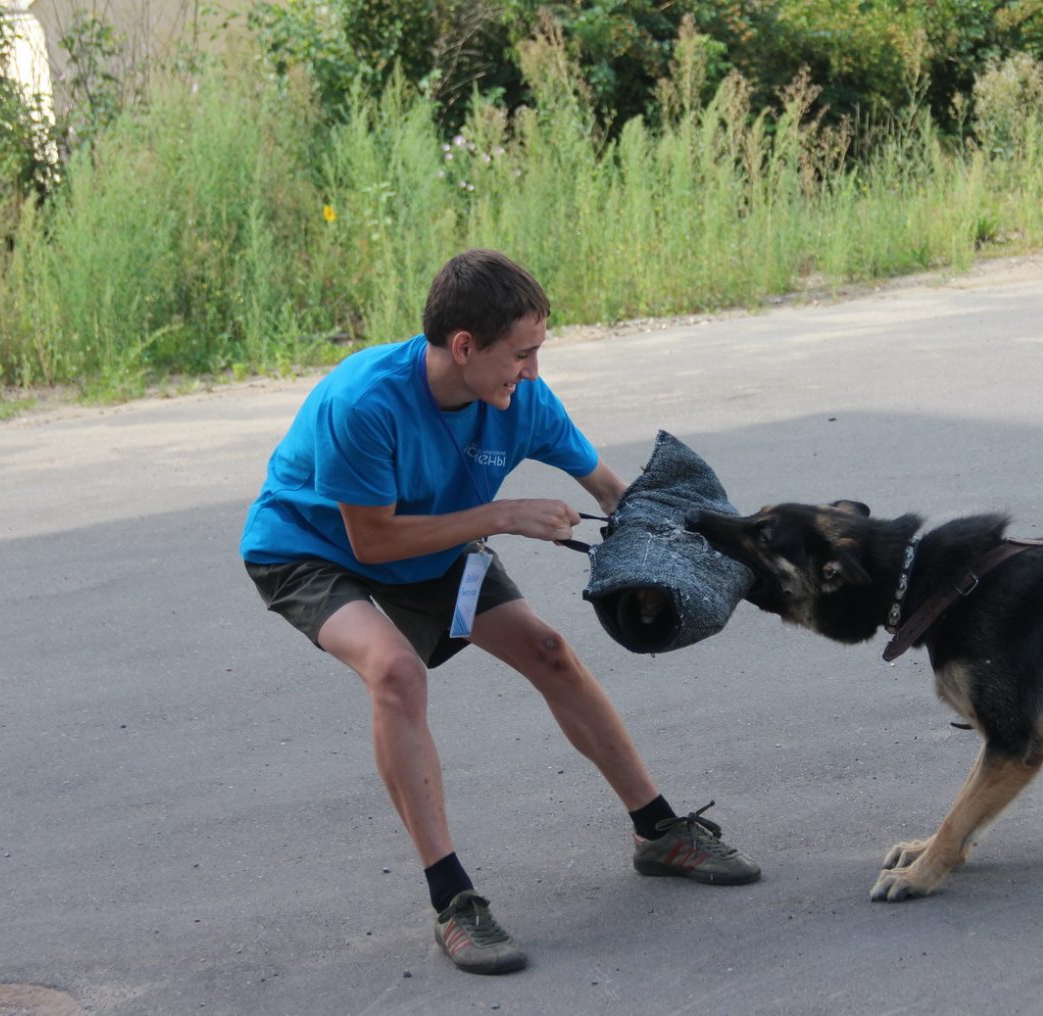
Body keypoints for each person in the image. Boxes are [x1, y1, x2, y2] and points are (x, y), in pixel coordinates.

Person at [240, 249, 759, 975]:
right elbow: (374, 538)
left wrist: (687, 559)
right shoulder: (363, 403)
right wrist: (504, 513)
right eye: (522, 354)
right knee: (394, 672)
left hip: (433, 542)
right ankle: (452, 900)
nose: (533, 372)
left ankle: (659, 830)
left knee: (548, 650)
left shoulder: (524, 402)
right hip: (312, 550)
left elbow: (612, 493)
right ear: (463, 348)